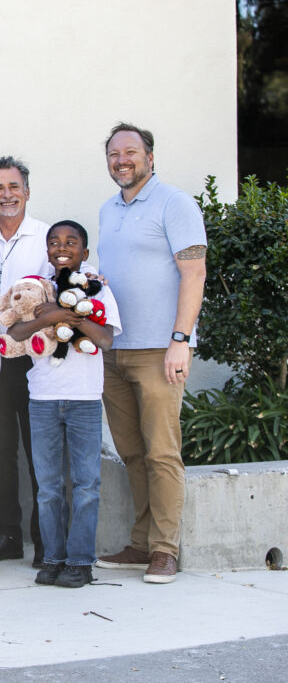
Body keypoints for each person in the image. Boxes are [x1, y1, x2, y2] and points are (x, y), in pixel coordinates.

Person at [95, 122, 207, 585]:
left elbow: (194, 274)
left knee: (162, 452)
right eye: (114, 154)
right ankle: (140, 544)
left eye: (131, 152)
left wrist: (181, 341)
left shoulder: (174, 203)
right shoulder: (108, 210)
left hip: (160, 350)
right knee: (133, 453)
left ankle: (165, 549)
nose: (122, 160)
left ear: (150, 157)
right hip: (113, 352)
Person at [7, 221, 120, 588]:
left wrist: (75, 316)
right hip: (42, 398)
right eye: (54, 241)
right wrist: (50, 315)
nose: (62, 247)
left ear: (84, 253)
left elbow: (104, 340)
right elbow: (14, 334)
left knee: (86, 483)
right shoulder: (36, 290)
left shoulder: (98, 290)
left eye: (71, 242)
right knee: (49, 485)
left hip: (85, 399)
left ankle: (80, 561)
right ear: (47, 250)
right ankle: (53, 558)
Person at [0, 156, 52, 567]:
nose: (7, 195)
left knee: (40, 449)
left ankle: (46, 537)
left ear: (27, 191)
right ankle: (7, 534)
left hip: (36, 361)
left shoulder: (46, 237)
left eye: (14, 186)